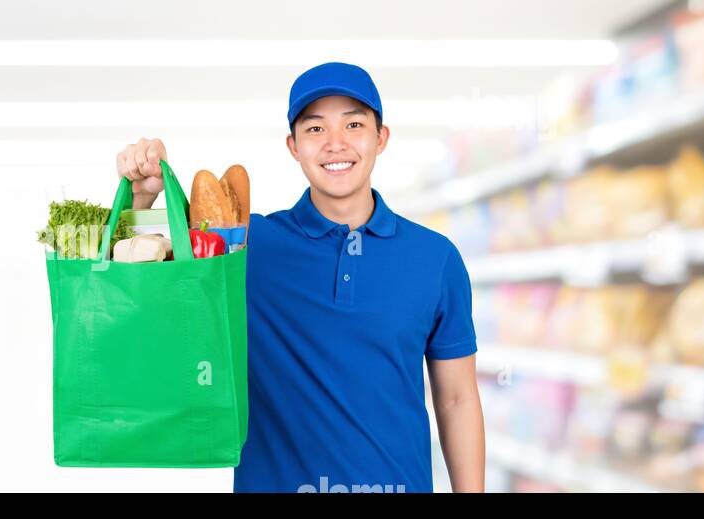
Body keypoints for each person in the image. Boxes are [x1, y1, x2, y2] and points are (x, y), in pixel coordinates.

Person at [115, 62, 484, 493]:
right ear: (293, 145)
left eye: (353, 123)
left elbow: (457, 398)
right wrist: (142, 196)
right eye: (315, 129)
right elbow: (141, 293)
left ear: (381, 138)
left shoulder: (435, 258)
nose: (335, 144)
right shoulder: (244, 248)